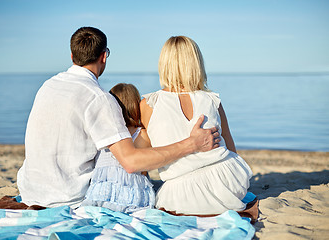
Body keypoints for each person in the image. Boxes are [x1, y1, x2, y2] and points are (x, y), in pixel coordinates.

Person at [17, 27, 220, 209]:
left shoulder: (47, 86)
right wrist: (192, 144)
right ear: (104, 56)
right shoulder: (99, 99)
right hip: (65, 198)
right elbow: (130, 162)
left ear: (72, 56)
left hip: (30, 191)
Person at [140, 36, 253, 216]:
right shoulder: (212, 99)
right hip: (227, 181)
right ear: (196, 63)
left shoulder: (149, 104)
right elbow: (230, 146)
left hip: (179, 193)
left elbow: (143, 157)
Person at [81, 83, 154, 212]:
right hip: (131, 197)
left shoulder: (102, 132)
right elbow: (144, 169)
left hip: (99, 194)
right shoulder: (142, 135)